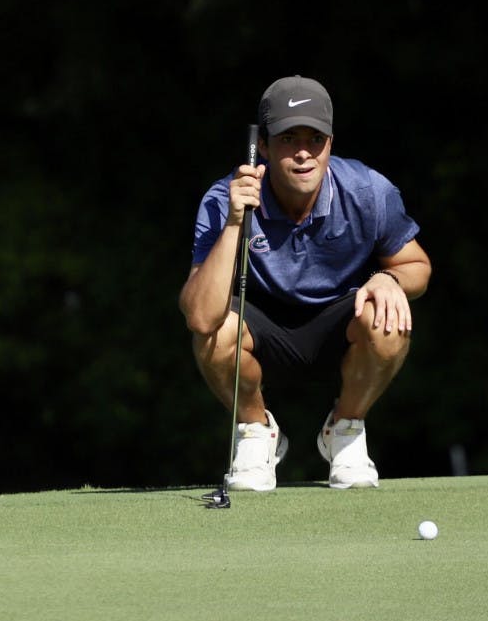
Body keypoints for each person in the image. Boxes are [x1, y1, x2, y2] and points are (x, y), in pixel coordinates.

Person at [179, 75, 431, 491]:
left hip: (339, 321)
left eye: (315, 139)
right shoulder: (226, 196)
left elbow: (417, 266)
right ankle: (257, 435)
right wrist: (234, 223)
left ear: (331, 142)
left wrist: (389, 278)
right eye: (288, 138)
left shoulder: (367, 190)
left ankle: (345, 431)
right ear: (262, 146)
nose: (302, 153)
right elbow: (201, 316)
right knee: (213, 334)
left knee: (389, 318)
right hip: (259, 325)